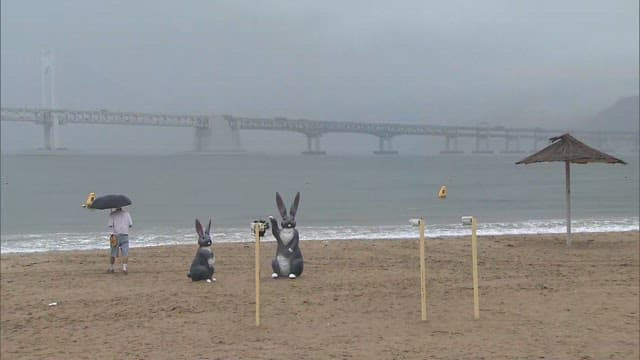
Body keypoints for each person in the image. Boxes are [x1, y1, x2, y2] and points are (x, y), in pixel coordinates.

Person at [107, 207, 133, 274]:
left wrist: (111, 215)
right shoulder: (127, 214)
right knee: (125, 253)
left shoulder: (112, 214)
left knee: (113, 252)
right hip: (125, 235)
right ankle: (124, 268)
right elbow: (130, 225)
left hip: (115, 235)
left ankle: (112, 268)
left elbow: (110, 225)